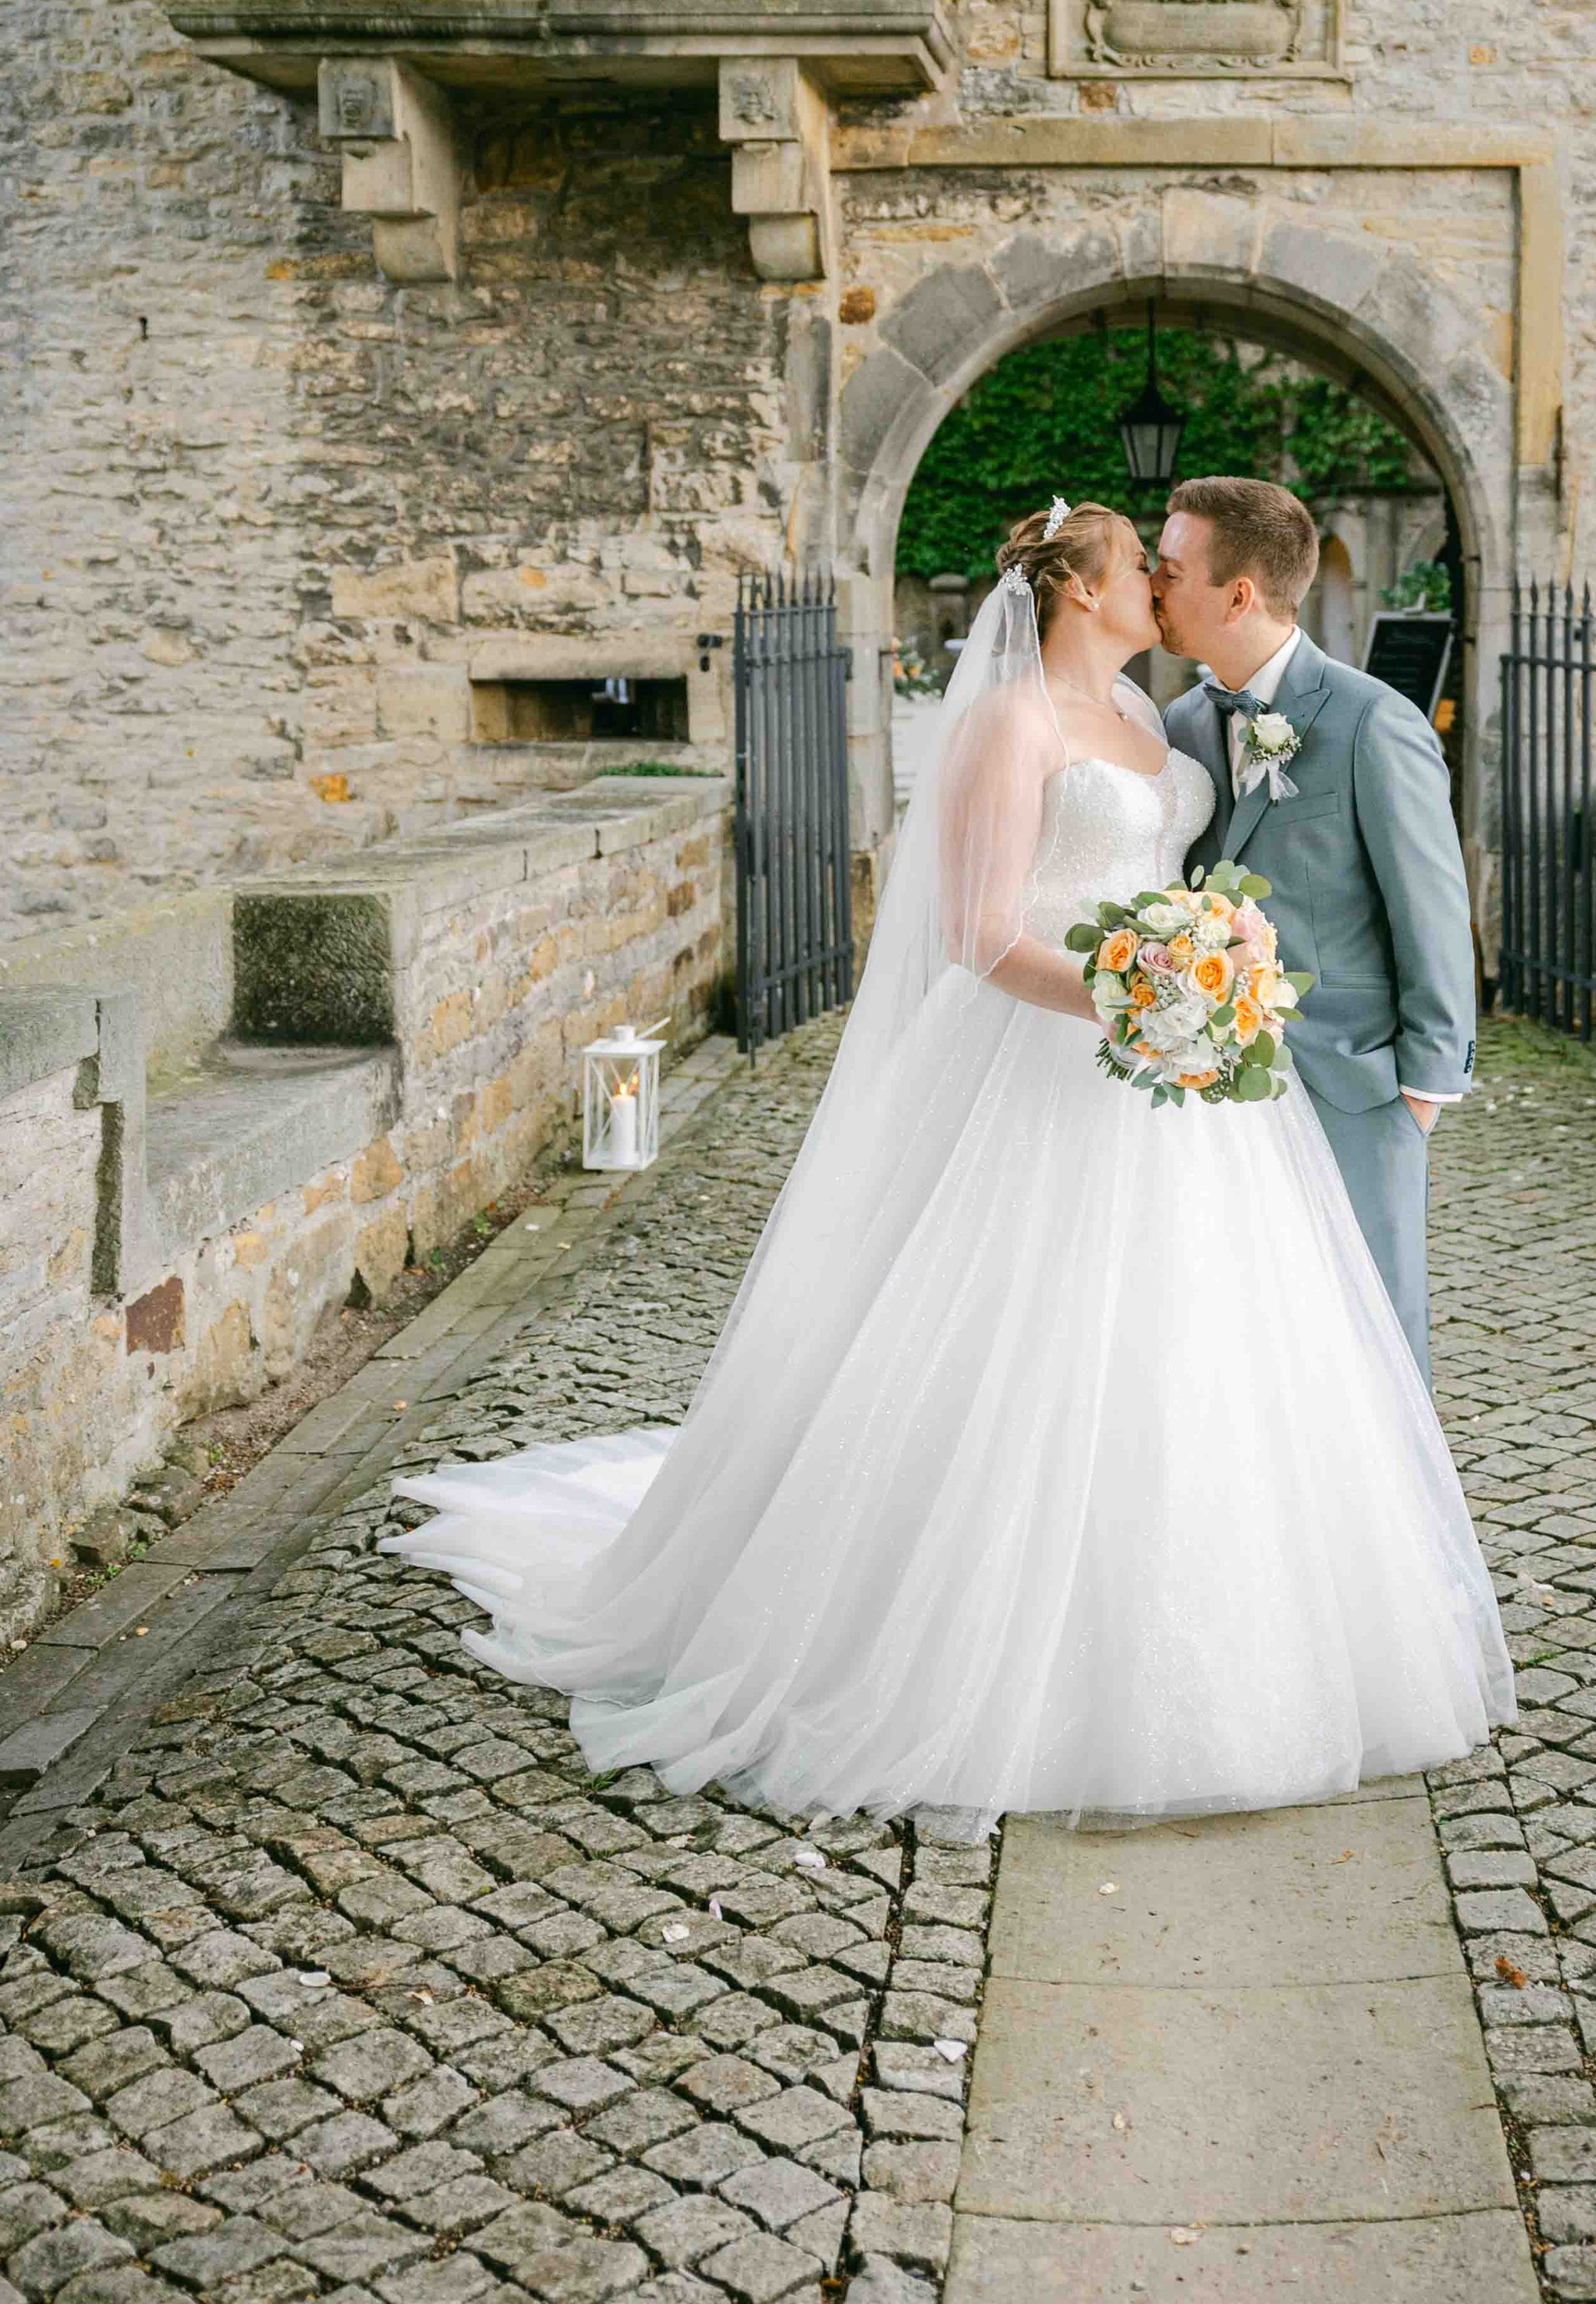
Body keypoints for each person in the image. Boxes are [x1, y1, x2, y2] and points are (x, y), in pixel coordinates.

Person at [386, 500, 1512, 1834]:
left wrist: (1245, 1022)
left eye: (1173, 564)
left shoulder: (1167, 726)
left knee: (1208, 1350)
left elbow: (1236, 884)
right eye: (1139, 565)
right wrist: (1133, 1000)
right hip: (1055, 1064)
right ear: (1084, 593)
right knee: (1021, 1348)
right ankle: (988, 1640)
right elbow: (979, 932)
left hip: (1200, 1100)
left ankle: (1252, 1604)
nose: (1158, 580)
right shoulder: (1009, 721)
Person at [1155, 478, 1476, 1384]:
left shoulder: (1373, 721)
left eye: (1172, 572)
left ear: (1238, 595)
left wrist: (1421, 1091)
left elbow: (1432, 910)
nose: (1153, 587)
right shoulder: (1179, 726)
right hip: (1218, 1101)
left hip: (1353, 1089)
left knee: (1369, 1335)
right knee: (1246, 1343)